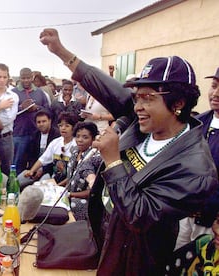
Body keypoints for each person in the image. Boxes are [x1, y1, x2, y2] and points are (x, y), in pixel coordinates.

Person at [39, 28, 218, 275]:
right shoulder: (147, 122)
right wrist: (61, 51)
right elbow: (105, 86)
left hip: (137, 257)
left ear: (178, 104)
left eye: (147, 98)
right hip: (107, 235)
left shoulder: (196, 169)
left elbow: (140, 215)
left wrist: (113, 162)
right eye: (136, 98)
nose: (138, 107)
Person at [175, 67, 219, 249]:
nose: (215, 93)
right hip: (183, 215)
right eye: (214, 86)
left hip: (212, 223)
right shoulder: (196, 124)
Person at [22, 112, 77, 187]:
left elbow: (74, 175)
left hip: (69, 183)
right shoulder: (55, 142)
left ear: (73, 128)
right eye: (61, 126)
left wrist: (56, 186)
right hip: (53, 179)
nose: (63, 128)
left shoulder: (77, 145)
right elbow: (42, 160)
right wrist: (31, 171)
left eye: (67, 126)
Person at [12, 67, 50, 175]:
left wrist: (36, 108)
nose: (26, 80)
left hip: (36, 133)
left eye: (28, 78)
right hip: (19, 133)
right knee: (17, 163)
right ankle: (16, 186)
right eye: (23, 78)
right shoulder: (13, 93)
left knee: (36, 162)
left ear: (32, 77)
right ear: (20, 78)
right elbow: (8, 113)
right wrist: (21, 108)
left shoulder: (40, 92)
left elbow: (47, 110)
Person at [65, 121, 102, 221]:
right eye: (77, 136)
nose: (80, 140)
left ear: (93, 139)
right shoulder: (75, 152)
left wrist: (70, 195)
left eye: (85, 137)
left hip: (86, 202)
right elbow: (71, 178)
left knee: (71, 205)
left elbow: (93, 191)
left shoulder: (94, 158)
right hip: (70, 195)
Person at [17, 109, 60, 189]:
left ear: (50, 121)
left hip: (49, 171)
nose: (41, 124)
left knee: (39, 188)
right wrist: (33, 170)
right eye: (39, 122)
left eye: (44, 121)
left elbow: (55, 160)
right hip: (34, 169)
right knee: (16, 182)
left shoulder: (57, 136)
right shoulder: (35, 135)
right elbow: (30, 156)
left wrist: (42, 170)